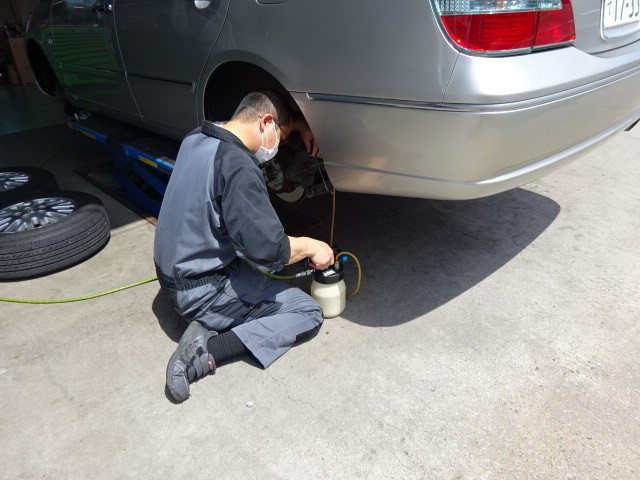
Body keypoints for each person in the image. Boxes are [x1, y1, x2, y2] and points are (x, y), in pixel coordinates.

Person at [154, 91, 334, 403]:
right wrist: (311, 246)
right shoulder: (237, 166)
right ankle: (205, 350)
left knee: (262, 273)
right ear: (266, 122)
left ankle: (212, 319)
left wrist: (300, 126)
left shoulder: (199, 136)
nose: (277, 148)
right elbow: (269, 250)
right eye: (282, 137)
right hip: (200, 289)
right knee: (307, 312)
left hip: (176, 272)